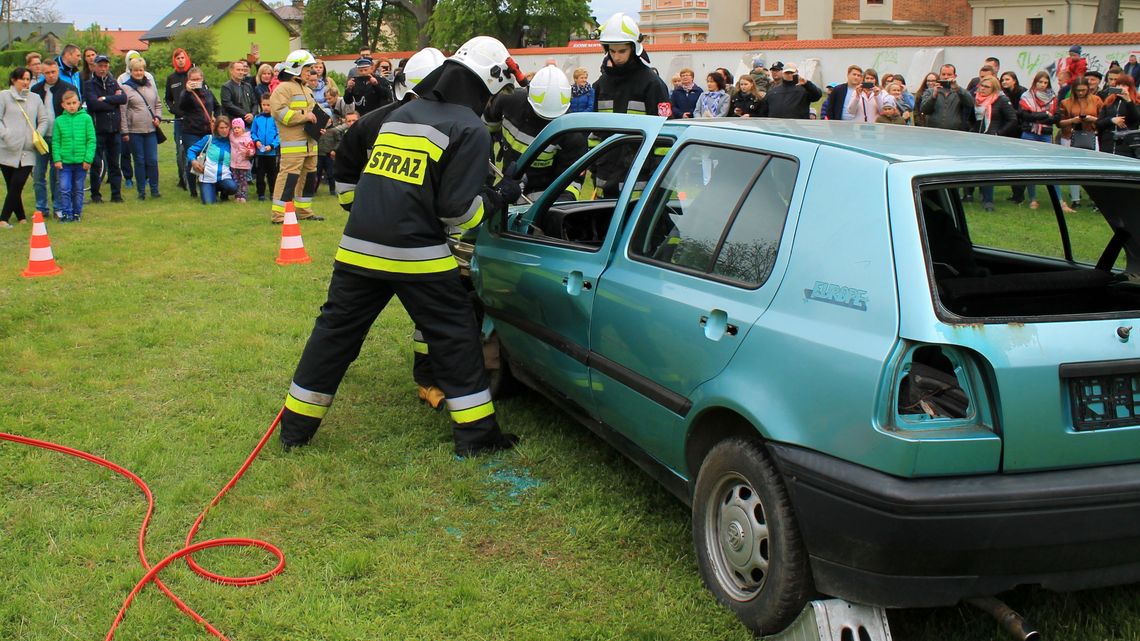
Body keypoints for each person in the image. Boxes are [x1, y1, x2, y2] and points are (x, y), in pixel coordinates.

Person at [279, 36, 524, 457]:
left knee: (334, 335)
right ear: (489, 80)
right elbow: (457, 213)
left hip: (357, 249)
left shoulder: (404, 112)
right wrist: (497, 198)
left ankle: (294, 429)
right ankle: (477, 437)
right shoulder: (467, 127)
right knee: (455, 336)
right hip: (418, 255)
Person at [484, 64, 583, 202]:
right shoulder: (507, 101)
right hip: (507, 185)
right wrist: (485, 173)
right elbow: (484, 133)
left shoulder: (572, 134)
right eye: (541, 116)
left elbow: (572, 182)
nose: (545, 121)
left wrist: (557, 204)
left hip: (541, 198)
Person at [269, 49, 325, 223]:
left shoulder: (306, 90)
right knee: (289, 177)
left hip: (310, 143)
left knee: (309, 177)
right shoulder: (283, 89)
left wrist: (319, 125)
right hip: (294, 144)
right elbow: (280, 113)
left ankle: (304, 211)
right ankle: (279, 215)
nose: (311, 73)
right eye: (307, 69)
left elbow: (313, 112)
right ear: (296, 69)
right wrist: (304, 116)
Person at [593, 13, 670, 118]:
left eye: (622, 51)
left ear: (633, 49)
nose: (616, 57)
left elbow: (663, 125)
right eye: (612, 51)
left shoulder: (652, 83)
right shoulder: (601, 83)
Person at [0, 67, 49, 228]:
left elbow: (43, 120)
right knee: (12, 185)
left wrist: (36, 135)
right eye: (23, 79)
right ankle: (21, 217)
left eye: (28, 79)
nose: (26, 82)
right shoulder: (4, 96)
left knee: (18, 183)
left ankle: (3, 218)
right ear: (14, 80)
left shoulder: (35, 98)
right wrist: (7, 135)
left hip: (28, 150)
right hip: (7, 149)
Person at [1017, 71, 1069, 212]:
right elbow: (1024, 115)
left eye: (1045, 82)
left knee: (1050, 167)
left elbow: (1056, 118)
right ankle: (1033, 199)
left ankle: (1059, 200)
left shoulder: (1052, 97)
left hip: (1045, 135)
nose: (1043, 85)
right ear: (1035, 82)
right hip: (1029, 133)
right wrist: (1044, 115)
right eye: (1040, 82)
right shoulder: (1026, 96)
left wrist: (1039, 117)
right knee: (1030, 167)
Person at [31, 58, 75, 219]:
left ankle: (58, 207)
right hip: (41, 139)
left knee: (58, 176)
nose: (50, 75)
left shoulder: (68, 88)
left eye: (53, 72)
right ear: (42, 73)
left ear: (58, 71)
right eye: (47, 73)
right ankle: (41, 208)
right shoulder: (35, 90)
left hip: (59, 139)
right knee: (38, 176)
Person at [971, 76, 1019, 211]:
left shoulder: (1001, 99)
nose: (983, 89)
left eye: (987, 87)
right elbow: (971, 117)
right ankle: (970, 194)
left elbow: (1012, 119)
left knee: (987, 169)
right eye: (982, 86)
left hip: (991, 138)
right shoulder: (975, 99)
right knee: (974, 167)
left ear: (994, 88)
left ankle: (988, 200)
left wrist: (999, 133)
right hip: (976, 137)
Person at [84, 54, 126, 204]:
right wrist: (112, 101)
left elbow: (123, 99)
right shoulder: (89, 84)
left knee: (115, 164)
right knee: (96, 164)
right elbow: (93, 104)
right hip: (98, 130)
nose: (103, 69)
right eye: (100, 66)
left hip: (114, 130)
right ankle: (96, 195)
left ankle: (116, 195)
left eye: (105, 66)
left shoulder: (113, 83)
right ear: (94, 66)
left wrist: (106, 99)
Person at [119, 57, 162, 201]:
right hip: (134, 131)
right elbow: (122, 112)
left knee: (152, 160)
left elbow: (158, 104)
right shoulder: (125, 87)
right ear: (131, 71)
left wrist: (158, 117)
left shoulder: (150, 85)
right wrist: (124, 131)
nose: (138, 73)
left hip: (151, 130)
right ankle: (141, 191)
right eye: (136, 70)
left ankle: (155, 190)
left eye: (141, 70)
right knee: (139, 161)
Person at [1057, 78, 1102, 209]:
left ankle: (1095, 199)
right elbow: (1059, 122)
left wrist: (1092, 119)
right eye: (1078, 90)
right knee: (1073, 169)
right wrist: (1073, 120)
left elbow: (1103, 119)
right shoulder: (1066, 102)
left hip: (1091, 136)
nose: (1081, 93)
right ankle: (1075, 199)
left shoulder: (1096, 100)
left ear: (1088, 89)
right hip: (1070, 137)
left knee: (1094, 169)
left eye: (1083, 90)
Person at [52, 89, 95, 222]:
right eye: (68, 103)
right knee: (64, 188)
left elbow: (91, 140)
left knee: (78, 189)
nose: (71, 106)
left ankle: (77, 213)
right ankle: (66, 213)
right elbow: (56, 141)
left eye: (74, 103)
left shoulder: (86, 118)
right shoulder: (59, 121)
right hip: (65, 162)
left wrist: (88, 159)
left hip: (81, 162)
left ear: (79, 103)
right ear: (63, 105)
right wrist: (57, 158)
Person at [186, 116, 236, 204]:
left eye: (226, 127)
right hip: (207, 177)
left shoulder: (232, 141)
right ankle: (210, 190)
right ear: (216, 128)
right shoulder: (209, 139)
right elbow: (191, 150)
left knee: (233, 188)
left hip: (224, 176)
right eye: (221, 128)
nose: (224, 130)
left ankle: (223, 195)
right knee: (209, 203)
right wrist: (193, 161)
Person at [165, 48, 195, 191]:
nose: (180, 60)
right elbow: (167, 99)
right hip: (179, 120)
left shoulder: (194, 75)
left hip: (195, 119)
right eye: (178, 58)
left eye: (183, 57)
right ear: (174, 60)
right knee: (180, 151)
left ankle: (196, 178)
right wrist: (175, 111)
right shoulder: (171, 78)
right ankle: (182, 179)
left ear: (186, 58)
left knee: (195, 149)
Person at [919, 64, 973, 131]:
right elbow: (924, 110)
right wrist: (933, 96)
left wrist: (958, 89)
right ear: (940, 75)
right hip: (933, 131)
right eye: (943, 74)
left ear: (955, 76)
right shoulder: (930, 91)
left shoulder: (960, 92)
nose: (946, 77)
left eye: (949, 74)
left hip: (954, 132)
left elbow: (970, 103)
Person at [1097, 75, 1140, 156]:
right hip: (1108, 144)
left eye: (1124, 85)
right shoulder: (1109, 101)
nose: (1120, 87)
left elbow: (1136, 119)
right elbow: (1099, 123)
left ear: (1130, 87)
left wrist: (1128, 101)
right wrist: (1111, 120)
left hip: (1127, 144)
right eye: (1118, 85)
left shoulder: (1136, 102)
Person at [316, 110, 357, 196]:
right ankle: (313, 190)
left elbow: (339, 141)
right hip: (319, 155)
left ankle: (333, 190)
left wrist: (334, 150)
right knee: (317, 174)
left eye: (354, 121)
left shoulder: (334, 131)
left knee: (331, 174)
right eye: (349, 121)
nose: (351, 123)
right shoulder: (318, 131)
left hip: (329, 156)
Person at [250, 93, 280, 202]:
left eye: (268, 104)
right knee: (260, 175)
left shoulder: (275, 118)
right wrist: (256, 141)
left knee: (273, 175)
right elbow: (253, 132)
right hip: (260, 153)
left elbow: (279, 134)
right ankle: (261, 194)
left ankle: (273, 192)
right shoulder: (257, 118)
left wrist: (272, 146)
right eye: (264, 104)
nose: (266, 107)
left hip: (272, 153)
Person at [222, 59, 259, 126]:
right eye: (238, 70)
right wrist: (245, 115)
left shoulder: (248, 86)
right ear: (231, 71)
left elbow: (255, 103)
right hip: (234, 125)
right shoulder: (226, 87)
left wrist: (252, 114)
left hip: (250, 123)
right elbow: (228, 105)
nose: (241, 72)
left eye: (242, 70)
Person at [228, 116, 256, 203]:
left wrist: (249, 153)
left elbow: (252, 149)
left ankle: (243, 195)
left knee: (243, 180)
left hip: (243, 164)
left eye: (238, 128)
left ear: (243, 128)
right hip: (234, 164)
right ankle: (237, 195)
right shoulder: (231, 136)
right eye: (234, 128)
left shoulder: (247, 138)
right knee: (235, 180)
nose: (236, 130)